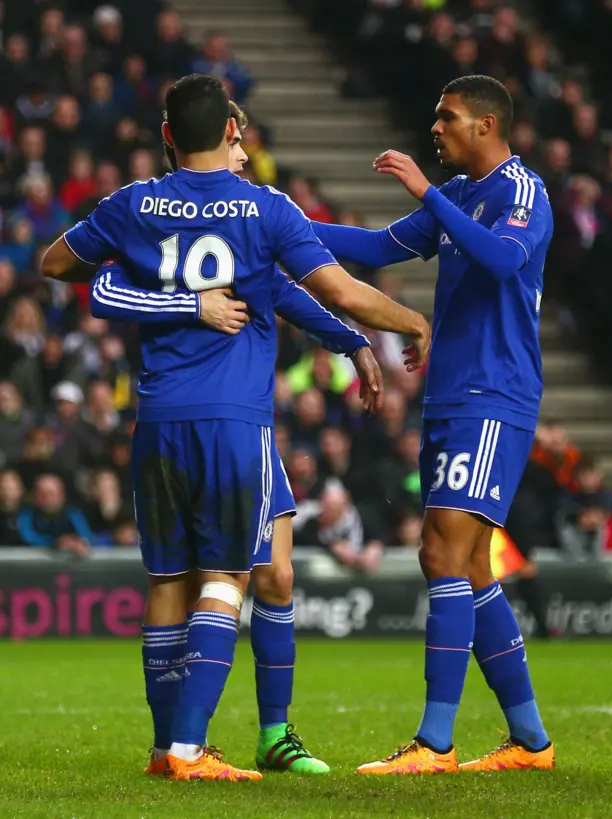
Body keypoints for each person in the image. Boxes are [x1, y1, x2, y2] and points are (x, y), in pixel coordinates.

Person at [41, 75, 430, 782]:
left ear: (165, 137)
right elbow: (338, 283)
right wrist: (410, 321)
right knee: (229, 575)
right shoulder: (263, 209)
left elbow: (64, 267)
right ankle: (189, 748)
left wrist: (342, 341)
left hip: (157, 416)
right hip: (232, 419)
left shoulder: (132, 205)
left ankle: (174, 747)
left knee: (175, 578)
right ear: (231, 132)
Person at [308, 75, 555, 774]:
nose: (435, 128)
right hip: (452, 394)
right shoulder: (465, 197)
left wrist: (426, 191)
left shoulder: (519, 191)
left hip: (493, 391)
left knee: (446, 551)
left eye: (446, 117)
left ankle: (435, 743)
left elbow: (505, 260)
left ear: (485, 124)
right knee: (465, 563)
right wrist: (277, 222)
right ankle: (531, 741)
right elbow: (376, 245)